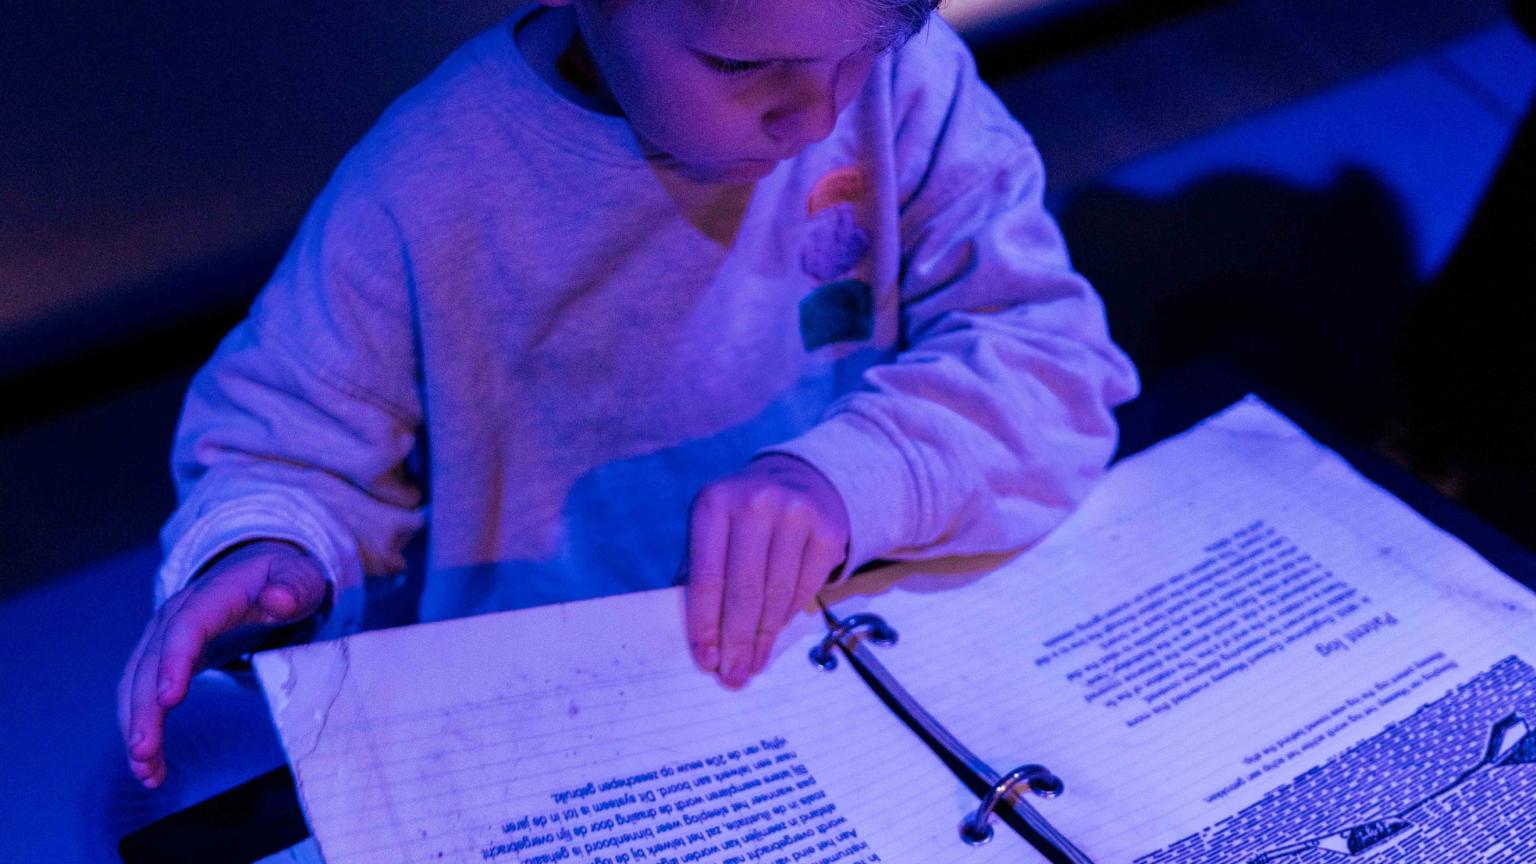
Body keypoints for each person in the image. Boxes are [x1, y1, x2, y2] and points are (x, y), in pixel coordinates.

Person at [116, 0, 1136, 810]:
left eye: (865, 52)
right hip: (564, 737)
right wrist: (273, 551)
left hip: (854, 671)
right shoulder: (426, 182)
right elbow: (287, 448)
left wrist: (850, 477)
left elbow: (1051, 359)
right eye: (742, 67)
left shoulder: (907, 83)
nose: (819, 118)